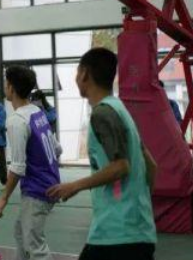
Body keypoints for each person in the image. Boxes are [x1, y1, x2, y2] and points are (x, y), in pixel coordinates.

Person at [47, 48, 157, 260]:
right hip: (139, 231)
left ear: (84, 74)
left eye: (77, 72)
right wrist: (138, 205)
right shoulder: (121, 111)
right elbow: (151, 166)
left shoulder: (102, 114)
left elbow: (121, 166)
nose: (76, 78)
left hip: (115, 234)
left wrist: (74, 185)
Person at [0, 66, 60, 260]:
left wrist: (4, 198)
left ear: (11, 88)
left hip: (37, 190)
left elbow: (17, 167)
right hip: (51, 183)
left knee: (34, 245)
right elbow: (57, 149)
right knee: (21, 233)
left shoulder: (17, 120)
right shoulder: (37, 112)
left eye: (6, 83)